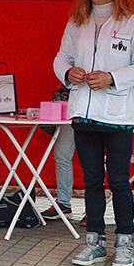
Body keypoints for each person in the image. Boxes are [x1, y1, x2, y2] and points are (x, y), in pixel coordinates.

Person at [54, 0, 134, 266]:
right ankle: (94, 240)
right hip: (84, 113)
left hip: (117, 114)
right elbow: (61, 58)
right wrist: (68, 72)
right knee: (93, 180)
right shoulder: (77, 21)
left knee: (120, 181)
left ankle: (124, 240)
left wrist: (112, 78)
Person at [40, 86, 81, 223]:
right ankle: (63, 203)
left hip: (99, 110)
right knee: (62, 154)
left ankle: (94, 210)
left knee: (93, 158)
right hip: (72, 108)